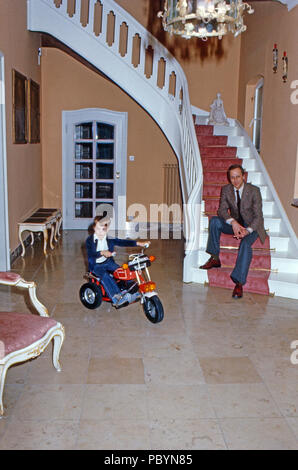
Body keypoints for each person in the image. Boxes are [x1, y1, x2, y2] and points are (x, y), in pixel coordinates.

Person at [200, 164, 267, 299]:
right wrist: (233, 222)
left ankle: (239, 283)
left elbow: (258, 217)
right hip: (235, 223)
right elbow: (221, 210)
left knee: (245, 245)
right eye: (232, 178)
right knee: (214, 221)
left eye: (238, 177)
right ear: (229, 178)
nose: (235, 180)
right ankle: (215, 258)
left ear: (243, 176)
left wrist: (247, 230)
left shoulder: (254, 191)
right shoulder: (226, 190)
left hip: (252, 226)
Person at [86, 214, 150, 307]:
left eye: (103, 229)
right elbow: (91, 254)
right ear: (94, 228)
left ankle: (130, 289)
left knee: (122, 271)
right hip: (96, 265)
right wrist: (101, 252)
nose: (99, 232)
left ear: (107, 229)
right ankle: (117, 298)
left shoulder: (109, 238)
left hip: (108, 262)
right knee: (105, 276)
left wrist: (138, 243)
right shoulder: (90, 240)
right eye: (97, 229)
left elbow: (122, 242)